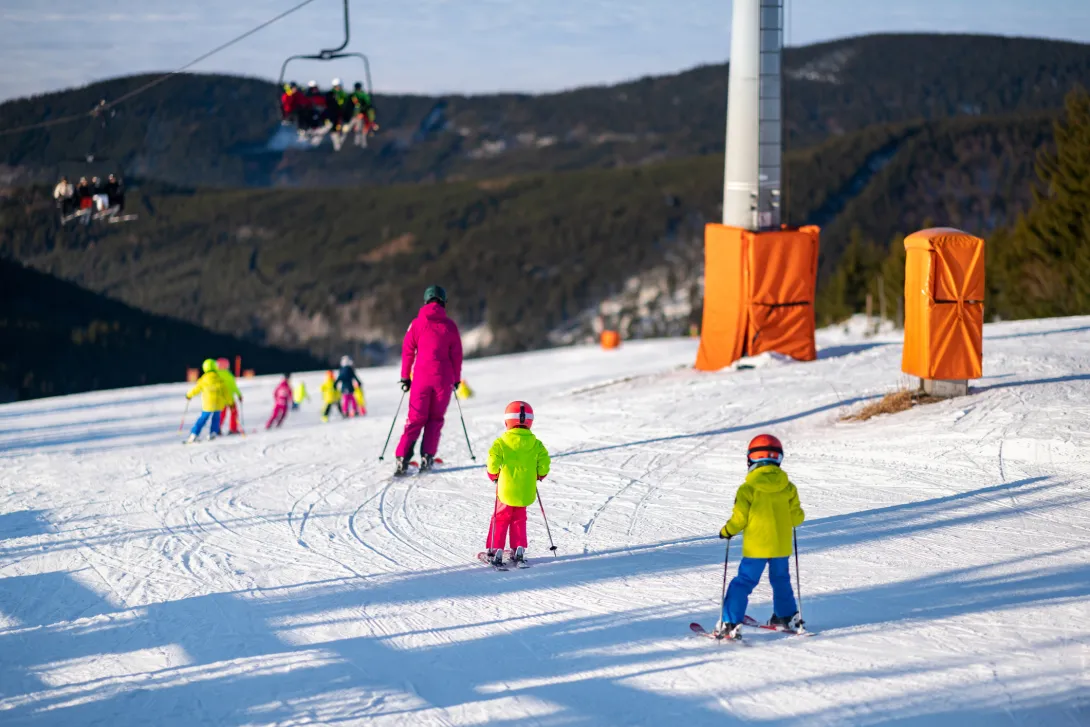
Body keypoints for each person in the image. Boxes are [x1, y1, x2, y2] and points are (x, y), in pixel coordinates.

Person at [713, 434, 806, 641]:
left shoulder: (748, 488)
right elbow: (797, 518)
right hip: (780, 547)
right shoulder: (788, 487)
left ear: (751, 459)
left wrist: (727, 531)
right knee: (781, 580)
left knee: (744, 582)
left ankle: (730, 622)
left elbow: (739, 519)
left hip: (757, 547)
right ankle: (786, 616)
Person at [393, 285, 463, 476]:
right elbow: (456, 356)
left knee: (415, 419)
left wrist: (405, 377)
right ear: (443, 302)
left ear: (426, 301)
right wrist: (456, 379)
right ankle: (427, 457)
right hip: (443, 380)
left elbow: (408, 352)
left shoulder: (416, 324)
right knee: (435, 419)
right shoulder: (450, 326)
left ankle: (402, 459)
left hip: (421, 380)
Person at [485, 401, 550, 566]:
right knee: (519, 518)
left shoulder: (502, 442)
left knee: (500, 518)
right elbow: (544, 462)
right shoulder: (536, 443)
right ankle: (519, 549)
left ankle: (495, 550)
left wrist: (493, 474)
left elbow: (493, 460)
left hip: (505, 490)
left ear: (508, 421)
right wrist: (540, 474)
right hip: (525, 490)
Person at [186, 359, 228, 443]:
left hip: (208, 404)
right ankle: (213, 433)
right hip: (218, 403)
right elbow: (225, 391)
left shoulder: (204, 379)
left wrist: (189, 395)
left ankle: (194, 434)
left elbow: (196, 389)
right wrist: (229, 401)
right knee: (216, 418)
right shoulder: (219, 378)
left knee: (203, 418)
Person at [215, 357, 243, 435]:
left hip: (220, 399)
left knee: (221, 415)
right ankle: (233, 429)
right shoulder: (229, 375)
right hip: (230, 399)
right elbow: (234, 387)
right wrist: (239, 395)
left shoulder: (215, 375)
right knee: (234, 413)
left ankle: (217, 429)